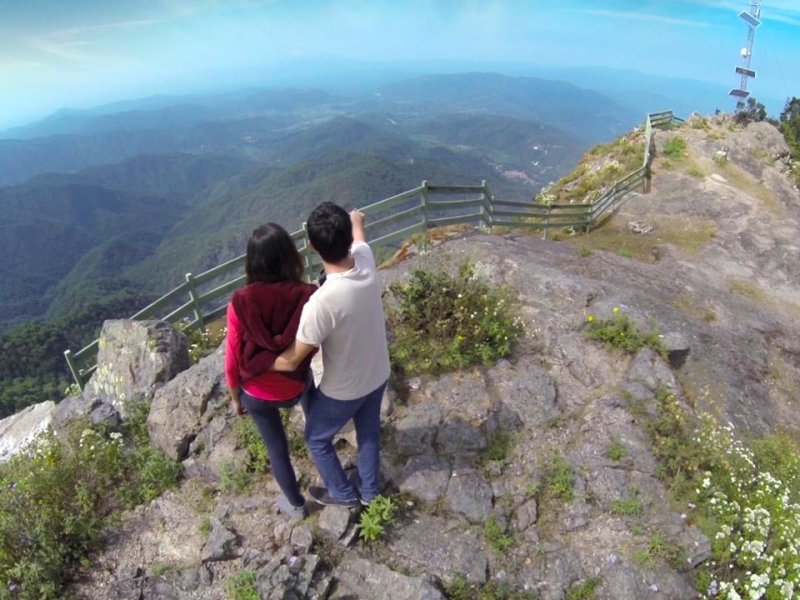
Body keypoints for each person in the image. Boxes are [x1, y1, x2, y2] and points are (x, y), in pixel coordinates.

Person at [273, 202, 390, 508]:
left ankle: (342, 494)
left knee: (316, 438)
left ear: (311, 246)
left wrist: (256, 362)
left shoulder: (322, 302)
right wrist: (355, 219)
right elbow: (361, 237)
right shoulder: (366, 260)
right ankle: (370, 492)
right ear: (349, 240)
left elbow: (292, 359)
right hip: (378, 373)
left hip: (345, 389)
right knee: (369, 432)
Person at [225, 222, 317, 520]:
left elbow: (232, 357)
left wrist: (236, 398)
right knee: (309, 385)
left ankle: (296, 505)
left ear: (251, 262)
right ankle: (316, 428)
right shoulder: (308, 294)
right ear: (291, 256)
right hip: (294, 385)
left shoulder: (240, 301)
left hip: (256, 391)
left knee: (276, 448)